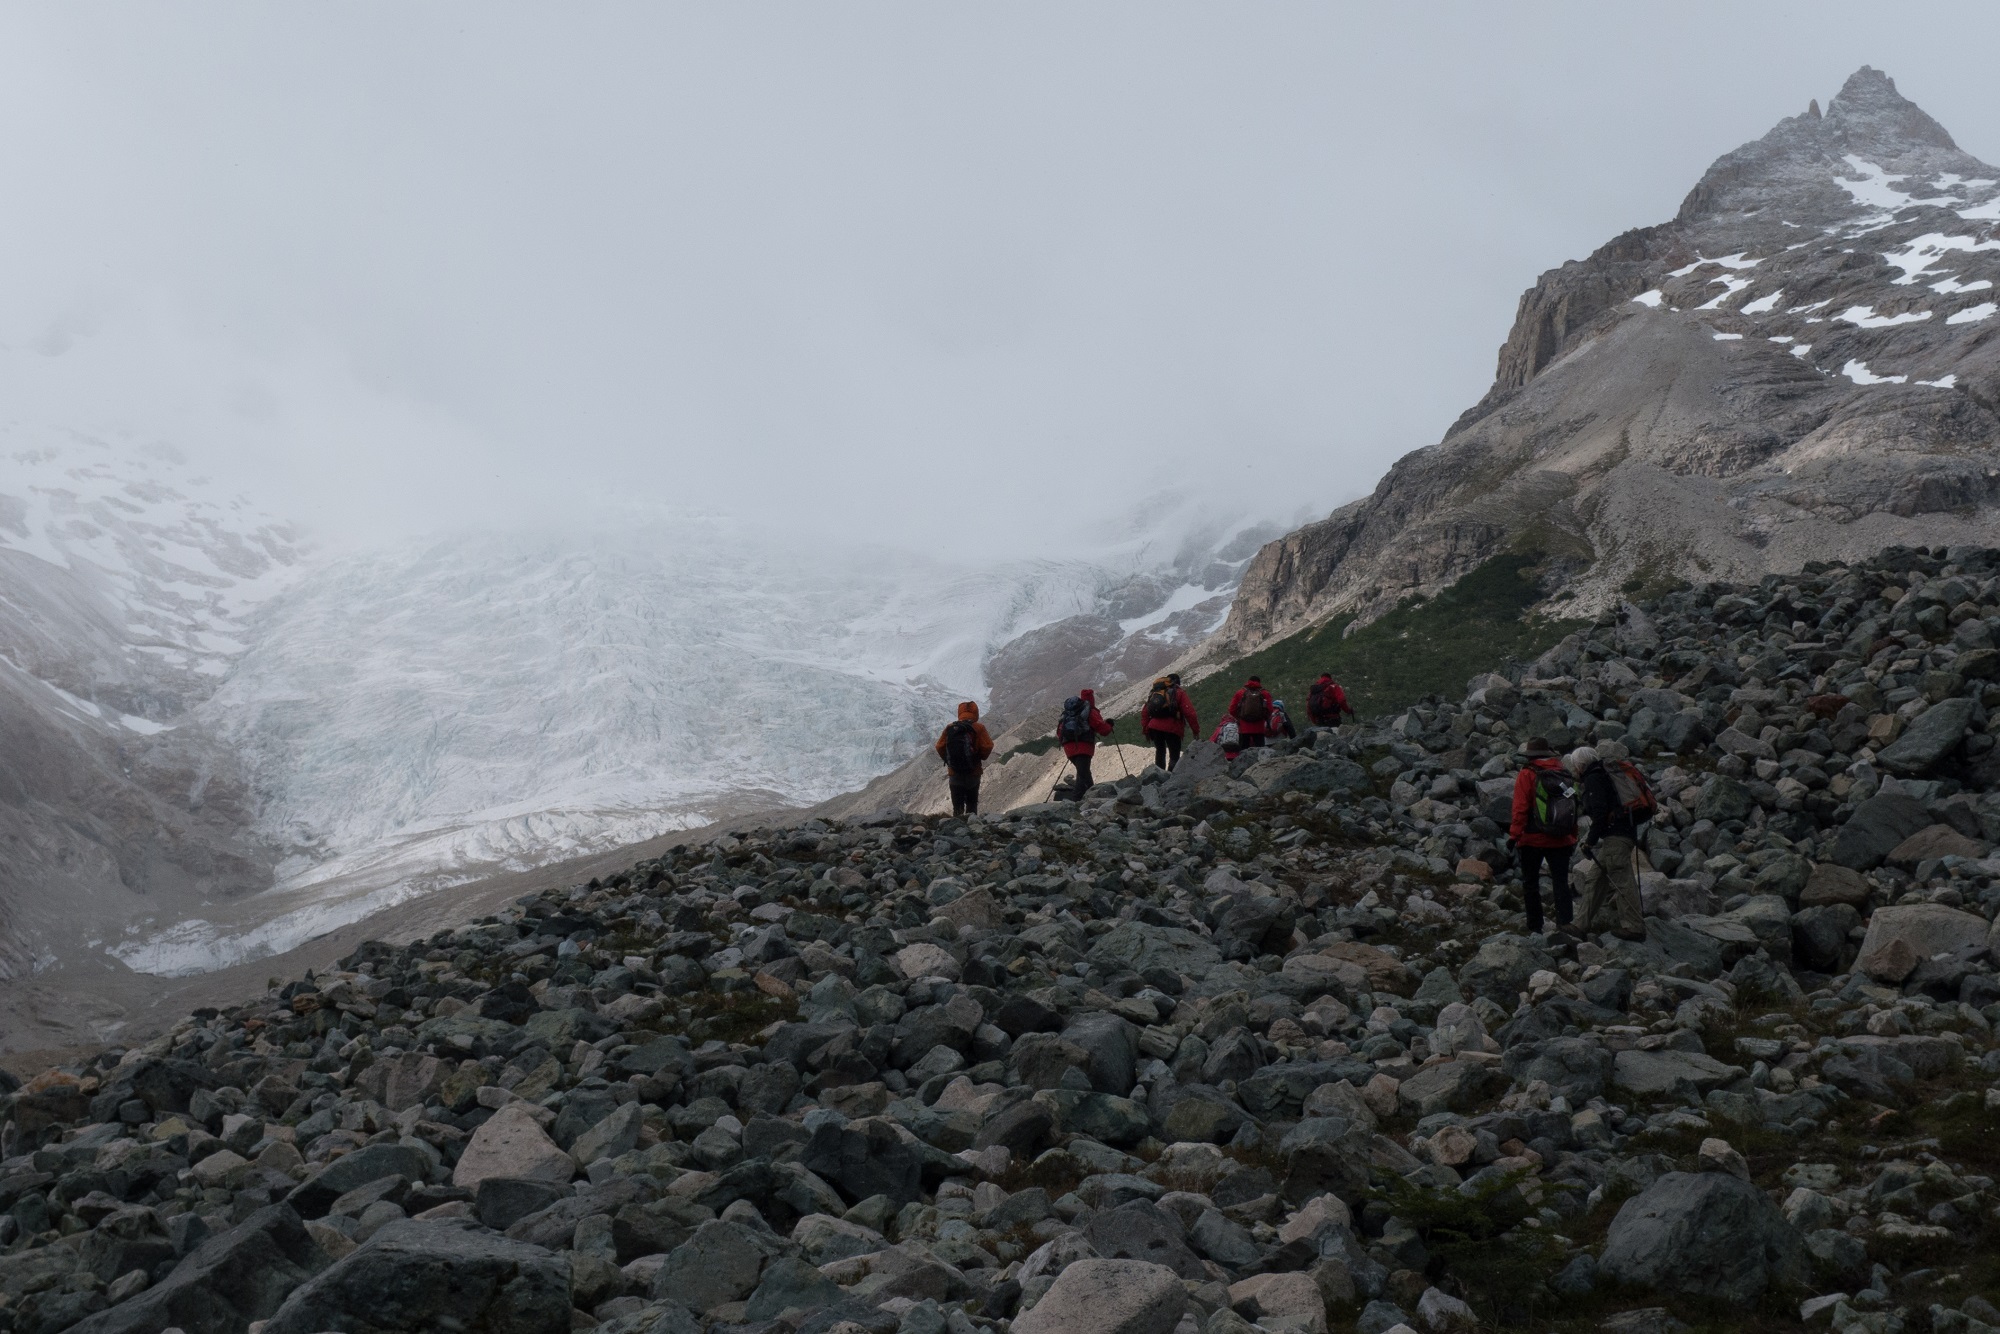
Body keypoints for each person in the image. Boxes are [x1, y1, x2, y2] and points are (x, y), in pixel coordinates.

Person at [1572, 745, 1651, 941]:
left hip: (1616, 835)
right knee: (1595, 878)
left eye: (1574, 765)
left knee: (1622, 879)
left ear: (1580, 765)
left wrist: (1589, 842)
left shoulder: (1593, 778)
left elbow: (1599, 813)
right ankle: (1579, 926)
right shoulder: (1605, 774)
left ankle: (1634, 927)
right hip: (1622, 833)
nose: (1574, 769)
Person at [1508, 736, 1578, 936]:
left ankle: (1535, 927)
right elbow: (1574, 807)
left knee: (1531, 884)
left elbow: (1520, 808)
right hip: (1561, 839)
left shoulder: (1527, 774)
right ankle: (1565, 923)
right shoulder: (1563, 773)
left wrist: (1514, 836)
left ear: (1530, 755)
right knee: (1561, 882)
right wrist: (1572, 836)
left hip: (1531, 839)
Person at [934, 701, 995, 816]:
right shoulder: (979, 728)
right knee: (972, 803)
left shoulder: (951, 727)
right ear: (976, 713)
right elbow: (987, 746)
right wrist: (979, 757)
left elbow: (939, 746)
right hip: (973, 772)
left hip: (954, 773)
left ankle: (957, 828)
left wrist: (948, 760)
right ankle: (972, 828)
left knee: (957, 806)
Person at [1056, 688, 1113, 801]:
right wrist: (1110, 725)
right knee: (1083, 775)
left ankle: (1092, 796)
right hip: (1084, 747)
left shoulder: (1068, 713)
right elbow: (1103, 730)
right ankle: (1075, 802)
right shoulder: (1090, 711)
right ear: (1091, 698)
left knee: (1084, 773)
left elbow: (1059, 732)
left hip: (1069, 748)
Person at [1139, 673, 1199, 772]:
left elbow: (1145, 712)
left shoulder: (1155, 692)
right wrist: (1195, 730)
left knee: (1160, 752)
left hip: (1154, 727)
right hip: (1172, 728)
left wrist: (1146, 730)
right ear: (1178, 682)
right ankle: (1171, 779)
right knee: (1174, 755)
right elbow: (1190, 713)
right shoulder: (1179, 692)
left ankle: (1158, 777)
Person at [1224, 675, 1276, 749]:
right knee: (1260, 750)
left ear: (1248, 681)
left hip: (1244, 727)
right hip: (1259, 727)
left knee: (1243, 750)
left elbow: (1232, 709)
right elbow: (1270, 709)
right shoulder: (1265, 693)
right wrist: (1263, 717)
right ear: (1259, 683)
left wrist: (1239, 718)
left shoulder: (1240, 692)